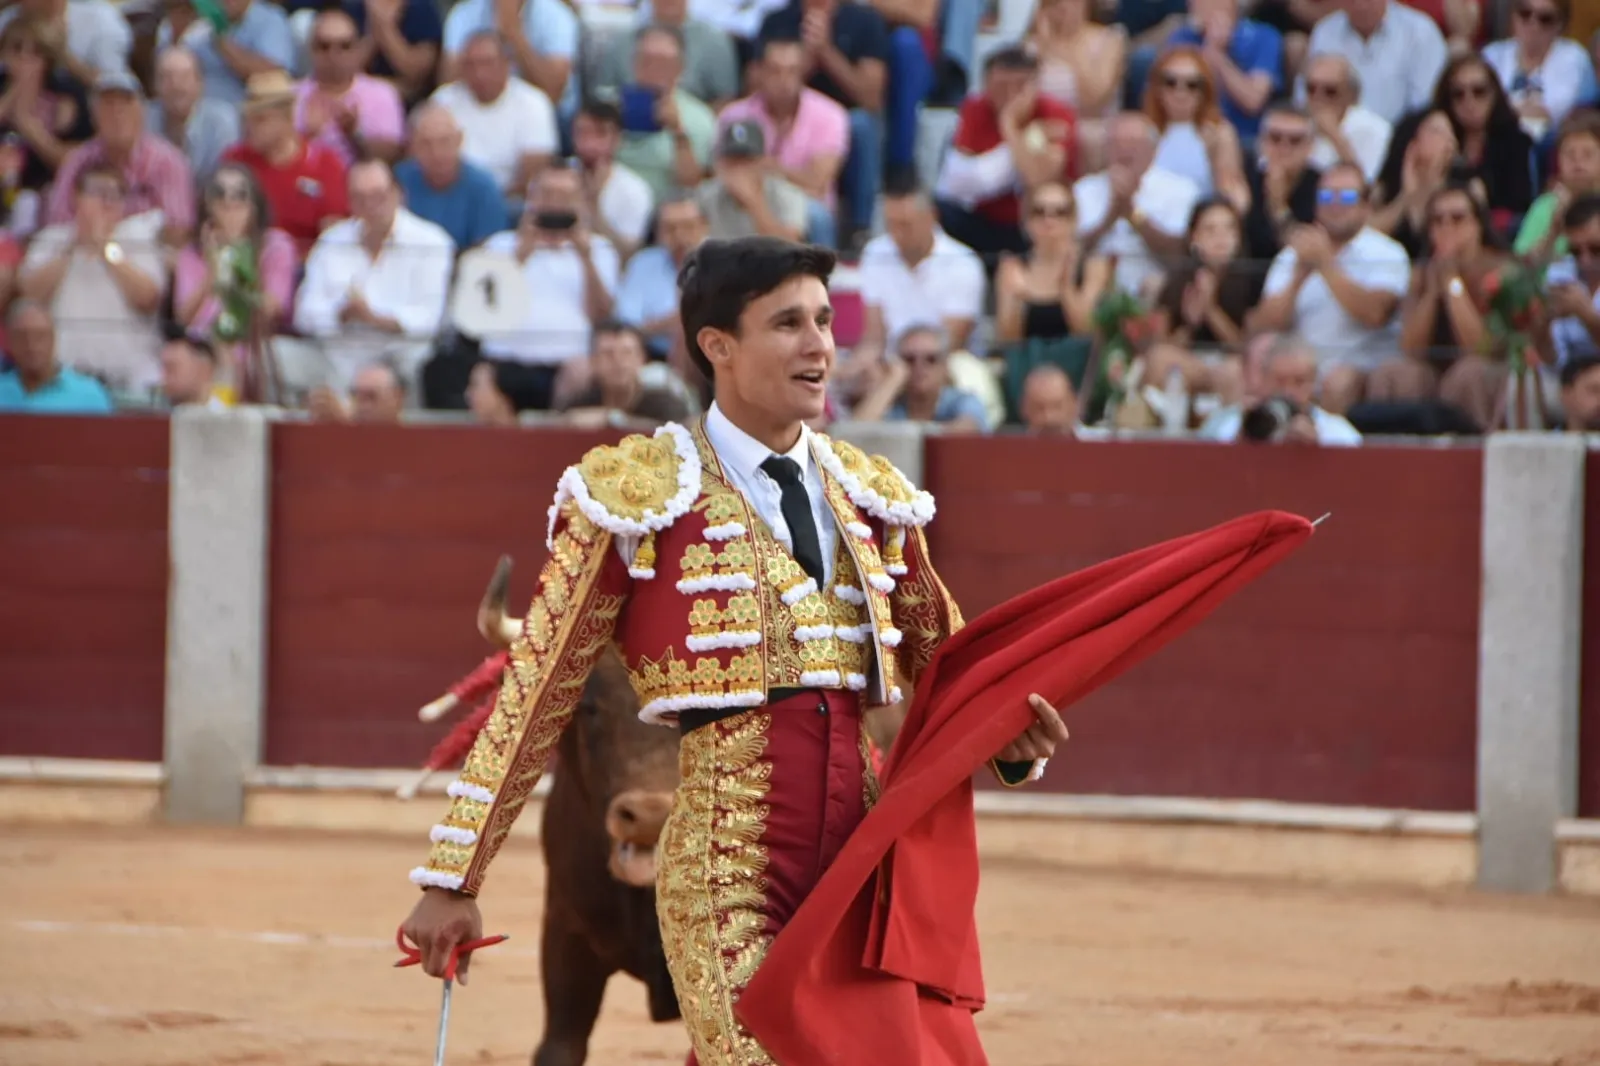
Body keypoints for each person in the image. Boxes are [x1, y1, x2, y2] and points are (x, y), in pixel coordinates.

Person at [398, 236, 1070, 1062]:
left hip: (859, 872)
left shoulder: (872, 495)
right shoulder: (638, 496)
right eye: (788, 324)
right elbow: (537, 693)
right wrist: (453, 878)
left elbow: (950, 670)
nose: (819, 345)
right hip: (726, 875)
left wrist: (1010, 744)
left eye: (824, 321)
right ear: (717, 345)